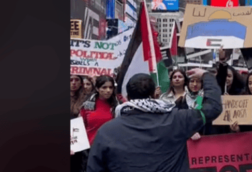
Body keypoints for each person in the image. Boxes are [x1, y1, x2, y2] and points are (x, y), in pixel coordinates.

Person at [87, 69, 222, 172]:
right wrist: (207, 76)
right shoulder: (178, 119)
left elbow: (94, 168)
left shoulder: (107, 131)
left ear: (127, 97)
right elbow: (213, 108)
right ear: (153, 95)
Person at [78, 76, 119, 171]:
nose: (108, 90)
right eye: (104, 87)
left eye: (110, 87)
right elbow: (80, 128)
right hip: (90, 150)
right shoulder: (87, 106)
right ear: (97, 88)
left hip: (111, 149)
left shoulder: (118, 106)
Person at [70, 74, 86, 172]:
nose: (74, 83)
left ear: (81, 83)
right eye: (71, 80)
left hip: (78, 133)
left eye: (76, 80)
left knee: (77, 162)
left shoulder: (86, 98)